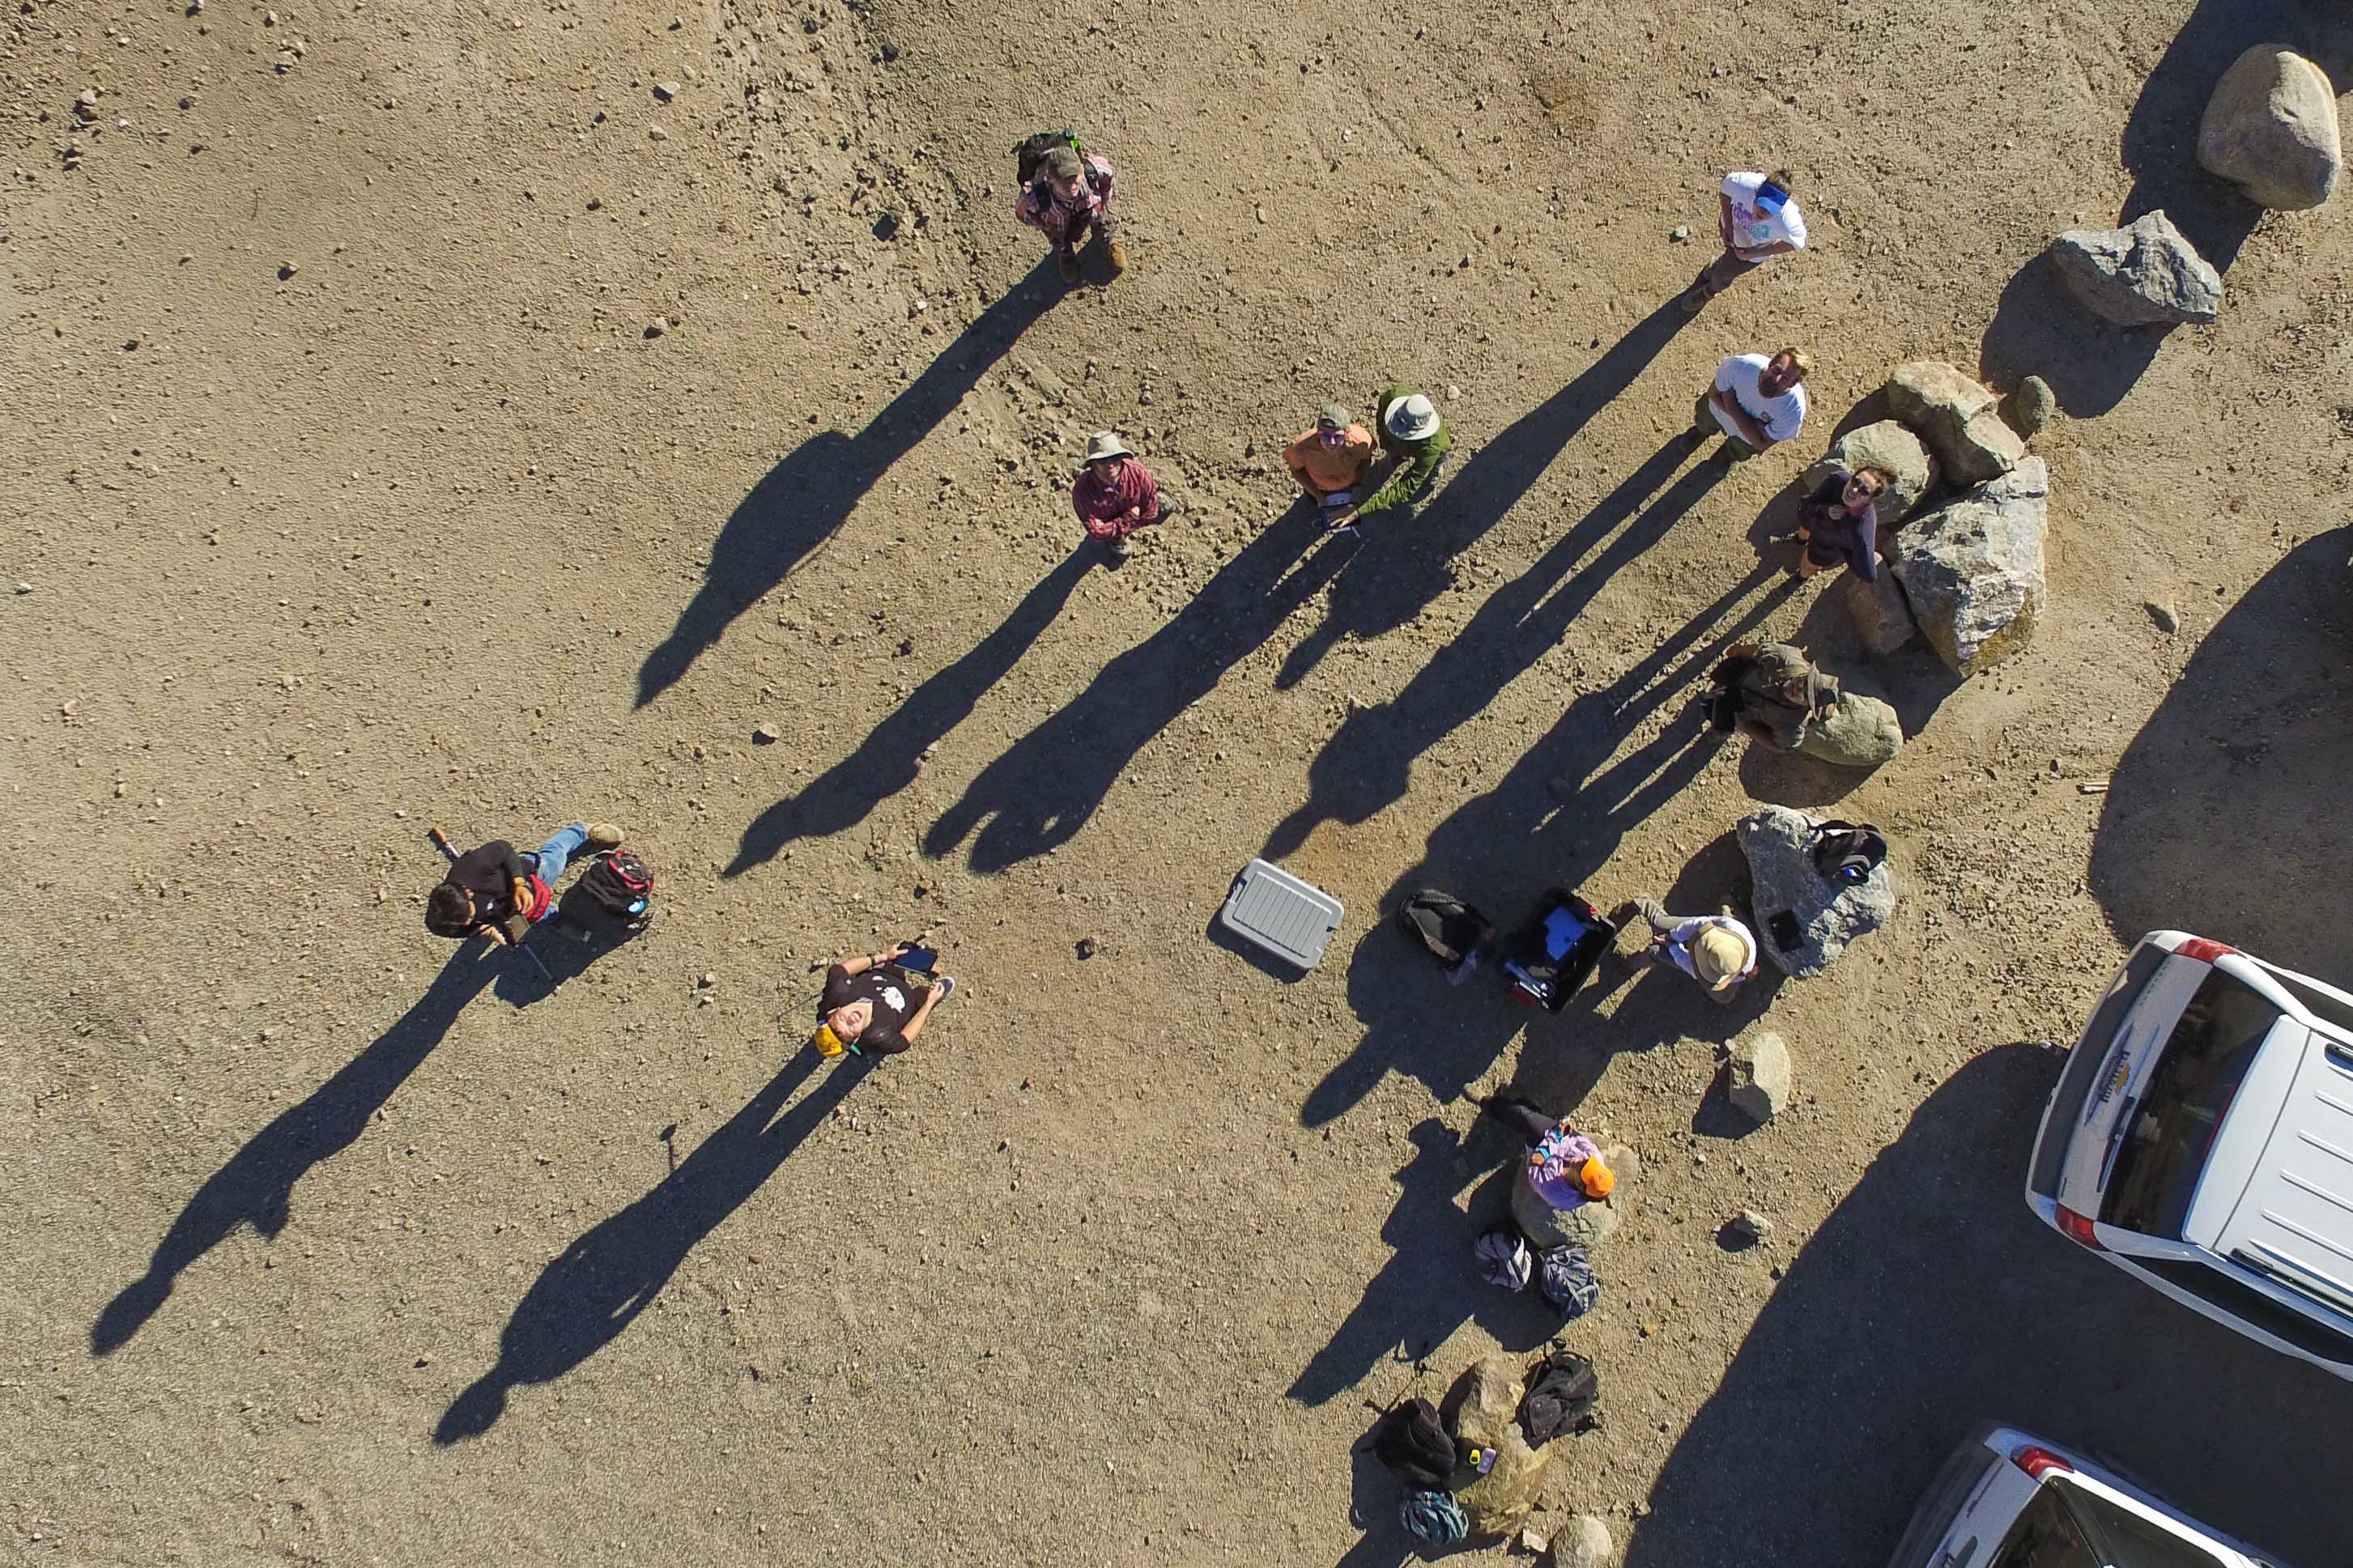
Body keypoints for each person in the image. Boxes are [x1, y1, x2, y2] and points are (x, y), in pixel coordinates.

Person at [1705, 642, 1904, 768]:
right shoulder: (1785, 658)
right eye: (1803, 682)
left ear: (1807, 707)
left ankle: (1720, 722)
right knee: (1721, 677)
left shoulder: (1792, 724)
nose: (1796, 688)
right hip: (1741, 675)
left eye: (1804, 695)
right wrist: (1732, 655)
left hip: (1743, 708)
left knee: (1713, 710)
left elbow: (1780, 745)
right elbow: (1747, 650)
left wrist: (1745, 727)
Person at [425, 822, 623, 945]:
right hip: (510, 911)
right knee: (537, 914)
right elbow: (460, 931)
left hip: (529, 874)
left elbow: (503, 848)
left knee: (555, 856)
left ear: (467, 892)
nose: (471, 918)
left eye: (469, 914)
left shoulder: (471, 867)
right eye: (465, 921)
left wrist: (520, 884)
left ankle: (582, 832)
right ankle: (554, 919)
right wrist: (483, 931)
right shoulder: (442, 923)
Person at [1326, 387, 1453, 531]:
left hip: (1432, 453)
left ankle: (1434, 473)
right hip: (1397, 448)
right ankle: (1396, 458)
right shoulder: (1395, 394)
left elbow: (1406, 487)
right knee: (1393, 456)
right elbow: (1381, 412)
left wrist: (1360, 511)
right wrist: (1385, 440)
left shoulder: (1432, 447)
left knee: (1434, 466)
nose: (1396, 432)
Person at [1681, 169, 1807, 312]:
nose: (1763, 212)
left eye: (1771, 210)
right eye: (1762, 204)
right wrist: (1728, 224)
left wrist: (1754, 253)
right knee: (1726, 258)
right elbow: (1725, 190)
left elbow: (1797, 243)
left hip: (1747, 254)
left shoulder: (1788, 219)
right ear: (1757, 193)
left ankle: (1706, 293)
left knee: (1722, 276)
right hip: (1731, 232)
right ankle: (1717, 266)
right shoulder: (1744, 184)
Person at [814, 941, 955, 1058]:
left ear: (833, 1012)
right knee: (926, 997)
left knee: (905, 950)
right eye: (849, 1031)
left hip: (885, 974)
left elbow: (840, 969)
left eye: (841, 1021)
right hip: (910, 1003)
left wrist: (882, 957)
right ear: (855, 1039)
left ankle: (926, 964)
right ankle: (935, 994)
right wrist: (929, 1004)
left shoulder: (837, 993)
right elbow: (904, 1041)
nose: (850, 1021)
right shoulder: (879, 1038)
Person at [1478, 1094, 1615, 1212]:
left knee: (1522, 1115)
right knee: (1528, 1117)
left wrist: (1553, 1139)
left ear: (1579, 1184)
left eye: (1583, 1166)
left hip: (1544, 1146)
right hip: (1556, 1142)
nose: (1583, 1159)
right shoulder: (1594, 1158)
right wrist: (1556, 1139)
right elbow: (1576, 1139)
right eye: (1589, 1162)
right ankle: (1512, 1105)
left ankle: (1486, 1103)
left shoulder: (1552, 1190)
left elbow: (1534, 1164)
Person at [1609, 898, 1757, 1002]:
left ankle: (1630, 962)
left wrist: (1671, 946)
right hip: (1710, 927)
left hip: (1707, 939)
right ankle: (1637, 904)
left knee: (1655, 951)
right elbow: (1695, 924)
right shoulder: (1731, 927)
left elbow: (1686, 962)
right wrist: (1672, 935)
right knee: (1659, 922)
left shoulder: (1709, 974)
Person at [1015, 143, 1122, 285]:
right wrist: (1042, 224)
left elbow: (1108, 175)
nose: (1072, 186)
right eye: (1064, 180)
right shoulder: (1034, 195)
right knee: (1060, 241)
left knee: (1103, 222)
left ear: (1082, 170)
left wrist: (1104, 199)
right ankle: (1067, 257)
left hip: (1091, 209)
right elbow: (1021, 213)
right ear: (1051, 178)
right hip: (1057, 224)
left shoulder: (1095, 170)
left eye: (1074, 177)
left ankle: (1108, 241)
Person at [1070, 430, 1171, 564]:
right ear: (1093, 463)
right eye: (1102, 460)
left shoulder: (1139, 473)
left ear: (1121, 456)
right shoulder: (1082, 492)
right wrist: (1129, 518)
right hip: (1126, 521)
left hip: (1122, 521)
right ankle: (1116, 544)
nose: (1110, 464)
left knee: (1166, 506)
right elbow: (1096, 532)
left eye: (1114, 457)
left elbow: (1151, 509)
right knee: (1121, 552)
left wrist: (1118, 525)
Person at [1694, 348, 1810, 461]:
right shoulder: (1741, 366)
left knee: (1738, 451)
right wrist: (1754, 425)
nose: (1776, 380)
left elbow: (1761, 444)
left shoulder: (1793, 410)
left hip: (1743, 438)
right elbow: (1713, 393)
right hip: (1717, 412)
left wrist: (1730, 402)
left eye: (1785, 379)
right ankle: (1699, 433)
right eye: (1776, 371)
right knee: (1704, 422)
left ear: (1793, 383)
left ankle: (1726, 457)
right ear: (1771, 363)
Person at [1790, 464, 1892, 580]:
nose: (1854, 490)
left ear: (1869, 500)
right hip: (1814, 520)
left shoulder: (1862, 529)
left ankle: (1799, 578)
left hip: (1826, 547)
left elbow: (1869, 575)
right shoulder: (1837, 480)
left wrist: (1845, 548)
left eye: (1864, 491)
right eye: (1856, 481)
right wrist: (1825, 511)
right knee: (1805, 525)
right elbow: (1808, 504)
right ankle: (1800, 540)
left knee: (1808, 566)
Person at [1283, 402, 1376, 516]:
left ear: (1347, 432)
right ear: (1318, 431)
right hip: (1319, 489)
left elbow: (1366, 460)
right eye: (1325, 435)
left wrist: (1358, 487)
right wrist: (1318, 496)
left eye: (1338, 436)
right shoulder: (1301, 448)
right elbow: (1296, 471)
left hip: (1351, 485)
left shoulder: (1362, 441)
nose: (1331, 442)